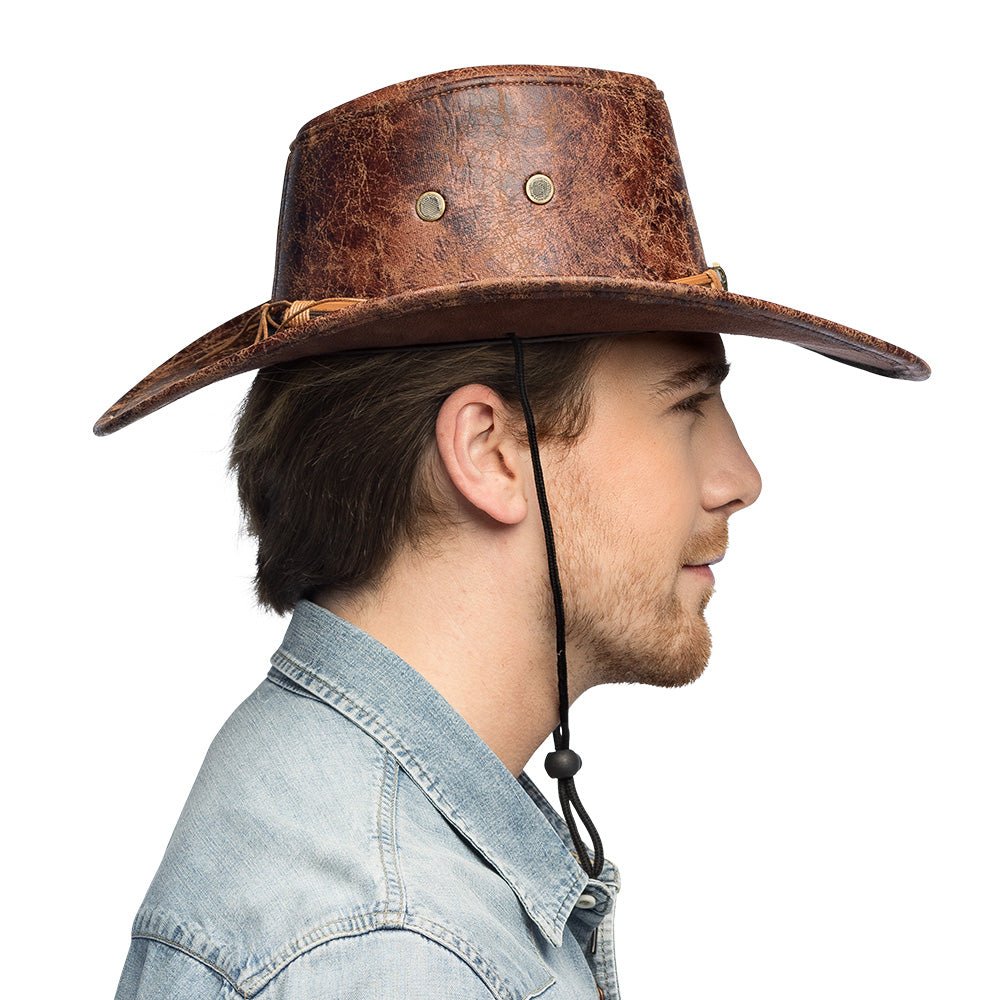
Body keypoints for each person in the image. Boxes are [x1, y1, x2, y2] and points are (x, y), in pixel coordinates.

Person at [95, 64, 930, 999]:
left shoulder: (342, 824)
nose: (740, 480)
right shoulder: (393, 946)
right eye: (688, 406)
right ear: (490, 453)